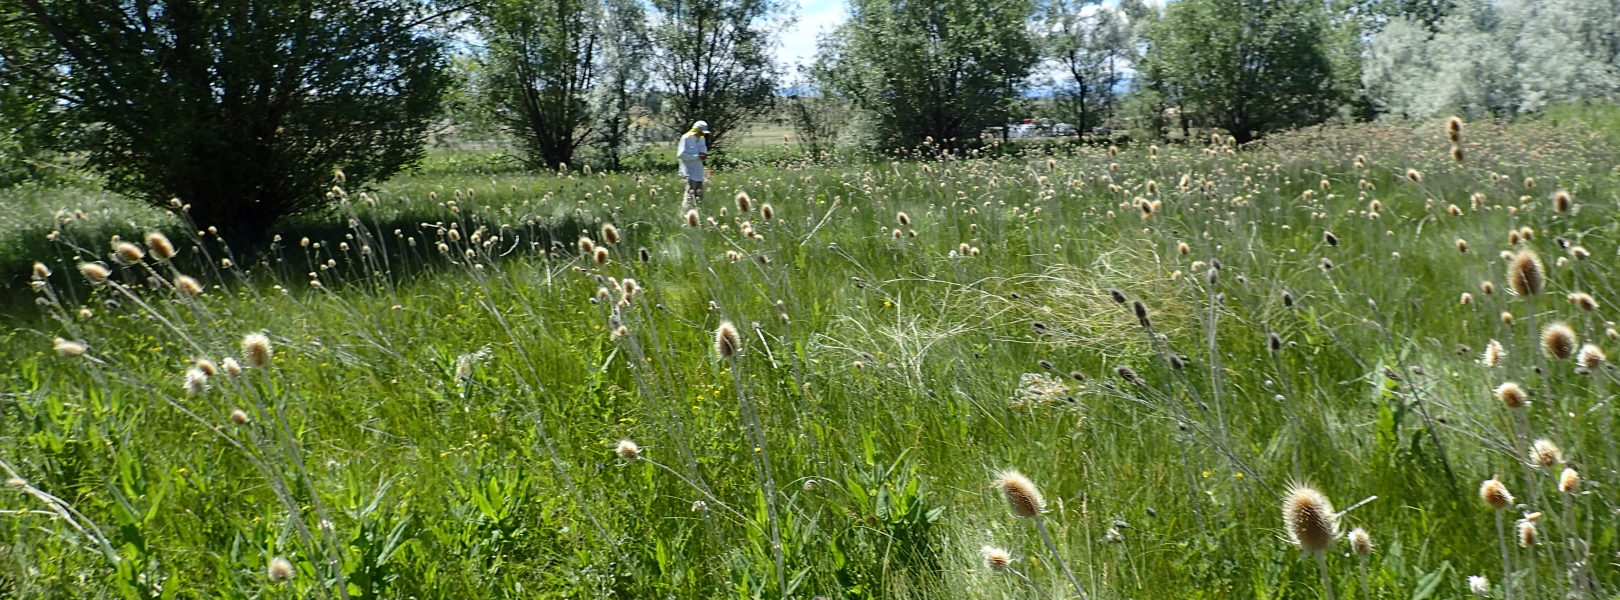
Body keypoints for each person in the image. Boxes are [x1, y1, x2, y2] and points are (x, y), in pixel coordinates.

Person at [676, 120, 710, 208]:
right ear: (696, 130)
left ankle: (697, 215)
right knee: (689, 197)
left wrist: (704, 155)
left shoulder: (702, 139)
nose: (702, 135)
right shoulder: (686, 138)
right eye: (701, 132)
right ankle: (685, 215)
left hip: (699, 172)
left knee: (699, 197)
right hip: (689, 172)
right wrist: (697, 156)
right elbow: (680, 155)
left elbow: (704, 151)